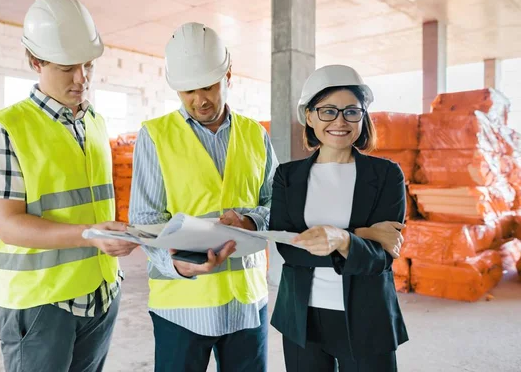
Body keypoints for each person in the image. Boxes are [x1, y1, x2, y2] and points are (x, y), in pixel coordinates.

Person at [0, 0, 138, 372]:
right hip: (42, 307)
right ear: (36, 61)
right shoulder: (6, 128)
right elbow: (8, 225)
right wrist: (91, 233)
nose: (82, 77)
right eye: (68, 67)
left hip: (100, 295)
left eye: (87, 65)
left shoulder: (95, 122)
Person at [129, 22, 278, 372]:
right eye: (187, 91)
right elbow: (145, 223)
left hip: (246, 304)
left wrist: (250, 220)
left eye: (208, 87)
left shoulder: (256, 136)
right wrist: (174, 265)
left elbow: (277, 206)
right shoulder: (155, 136)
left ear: (228, 75)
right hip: (182, 306)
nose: (200, 100)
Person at [269, 64, 409, 372]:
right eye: (327, 111)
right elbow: (288, 248)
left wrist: (342, 238)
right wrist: (359, 236)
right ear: (309, 116)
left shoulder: (386, 175)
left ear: (363, 116)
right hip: (302, 318)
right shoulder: (287, 176)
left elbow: (381, 260)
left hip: (368, 316)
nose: (340, 121)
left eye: (351, 111)